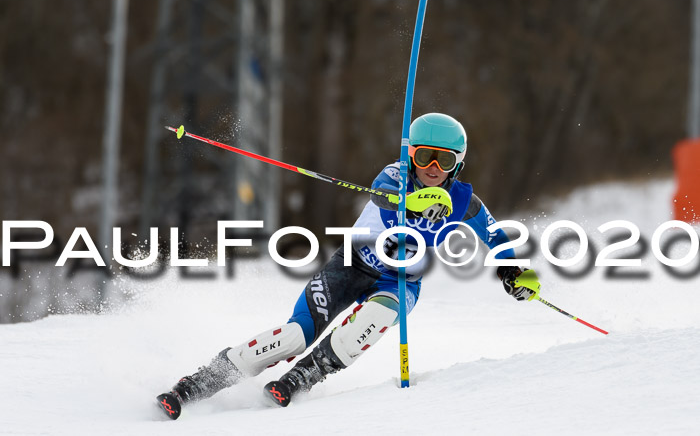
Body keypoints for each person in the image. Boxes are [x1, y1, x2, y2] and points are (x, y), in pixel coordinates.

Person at [156, 113, 540, 420]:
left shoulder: (465, 202)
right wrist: (413, 201)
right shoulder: (396, 177)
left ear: (459, 163)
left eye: (445, 159)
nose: (434, 167)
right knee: (295, 336)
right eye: (424, 156)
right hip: (350, 265)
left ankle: (304, 376)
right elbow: (384, 196)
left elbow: (495, 237)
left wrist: (512, 271)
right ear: (411, 156)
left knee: (374, 318)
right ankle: (199, 383)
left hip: (400, 281)